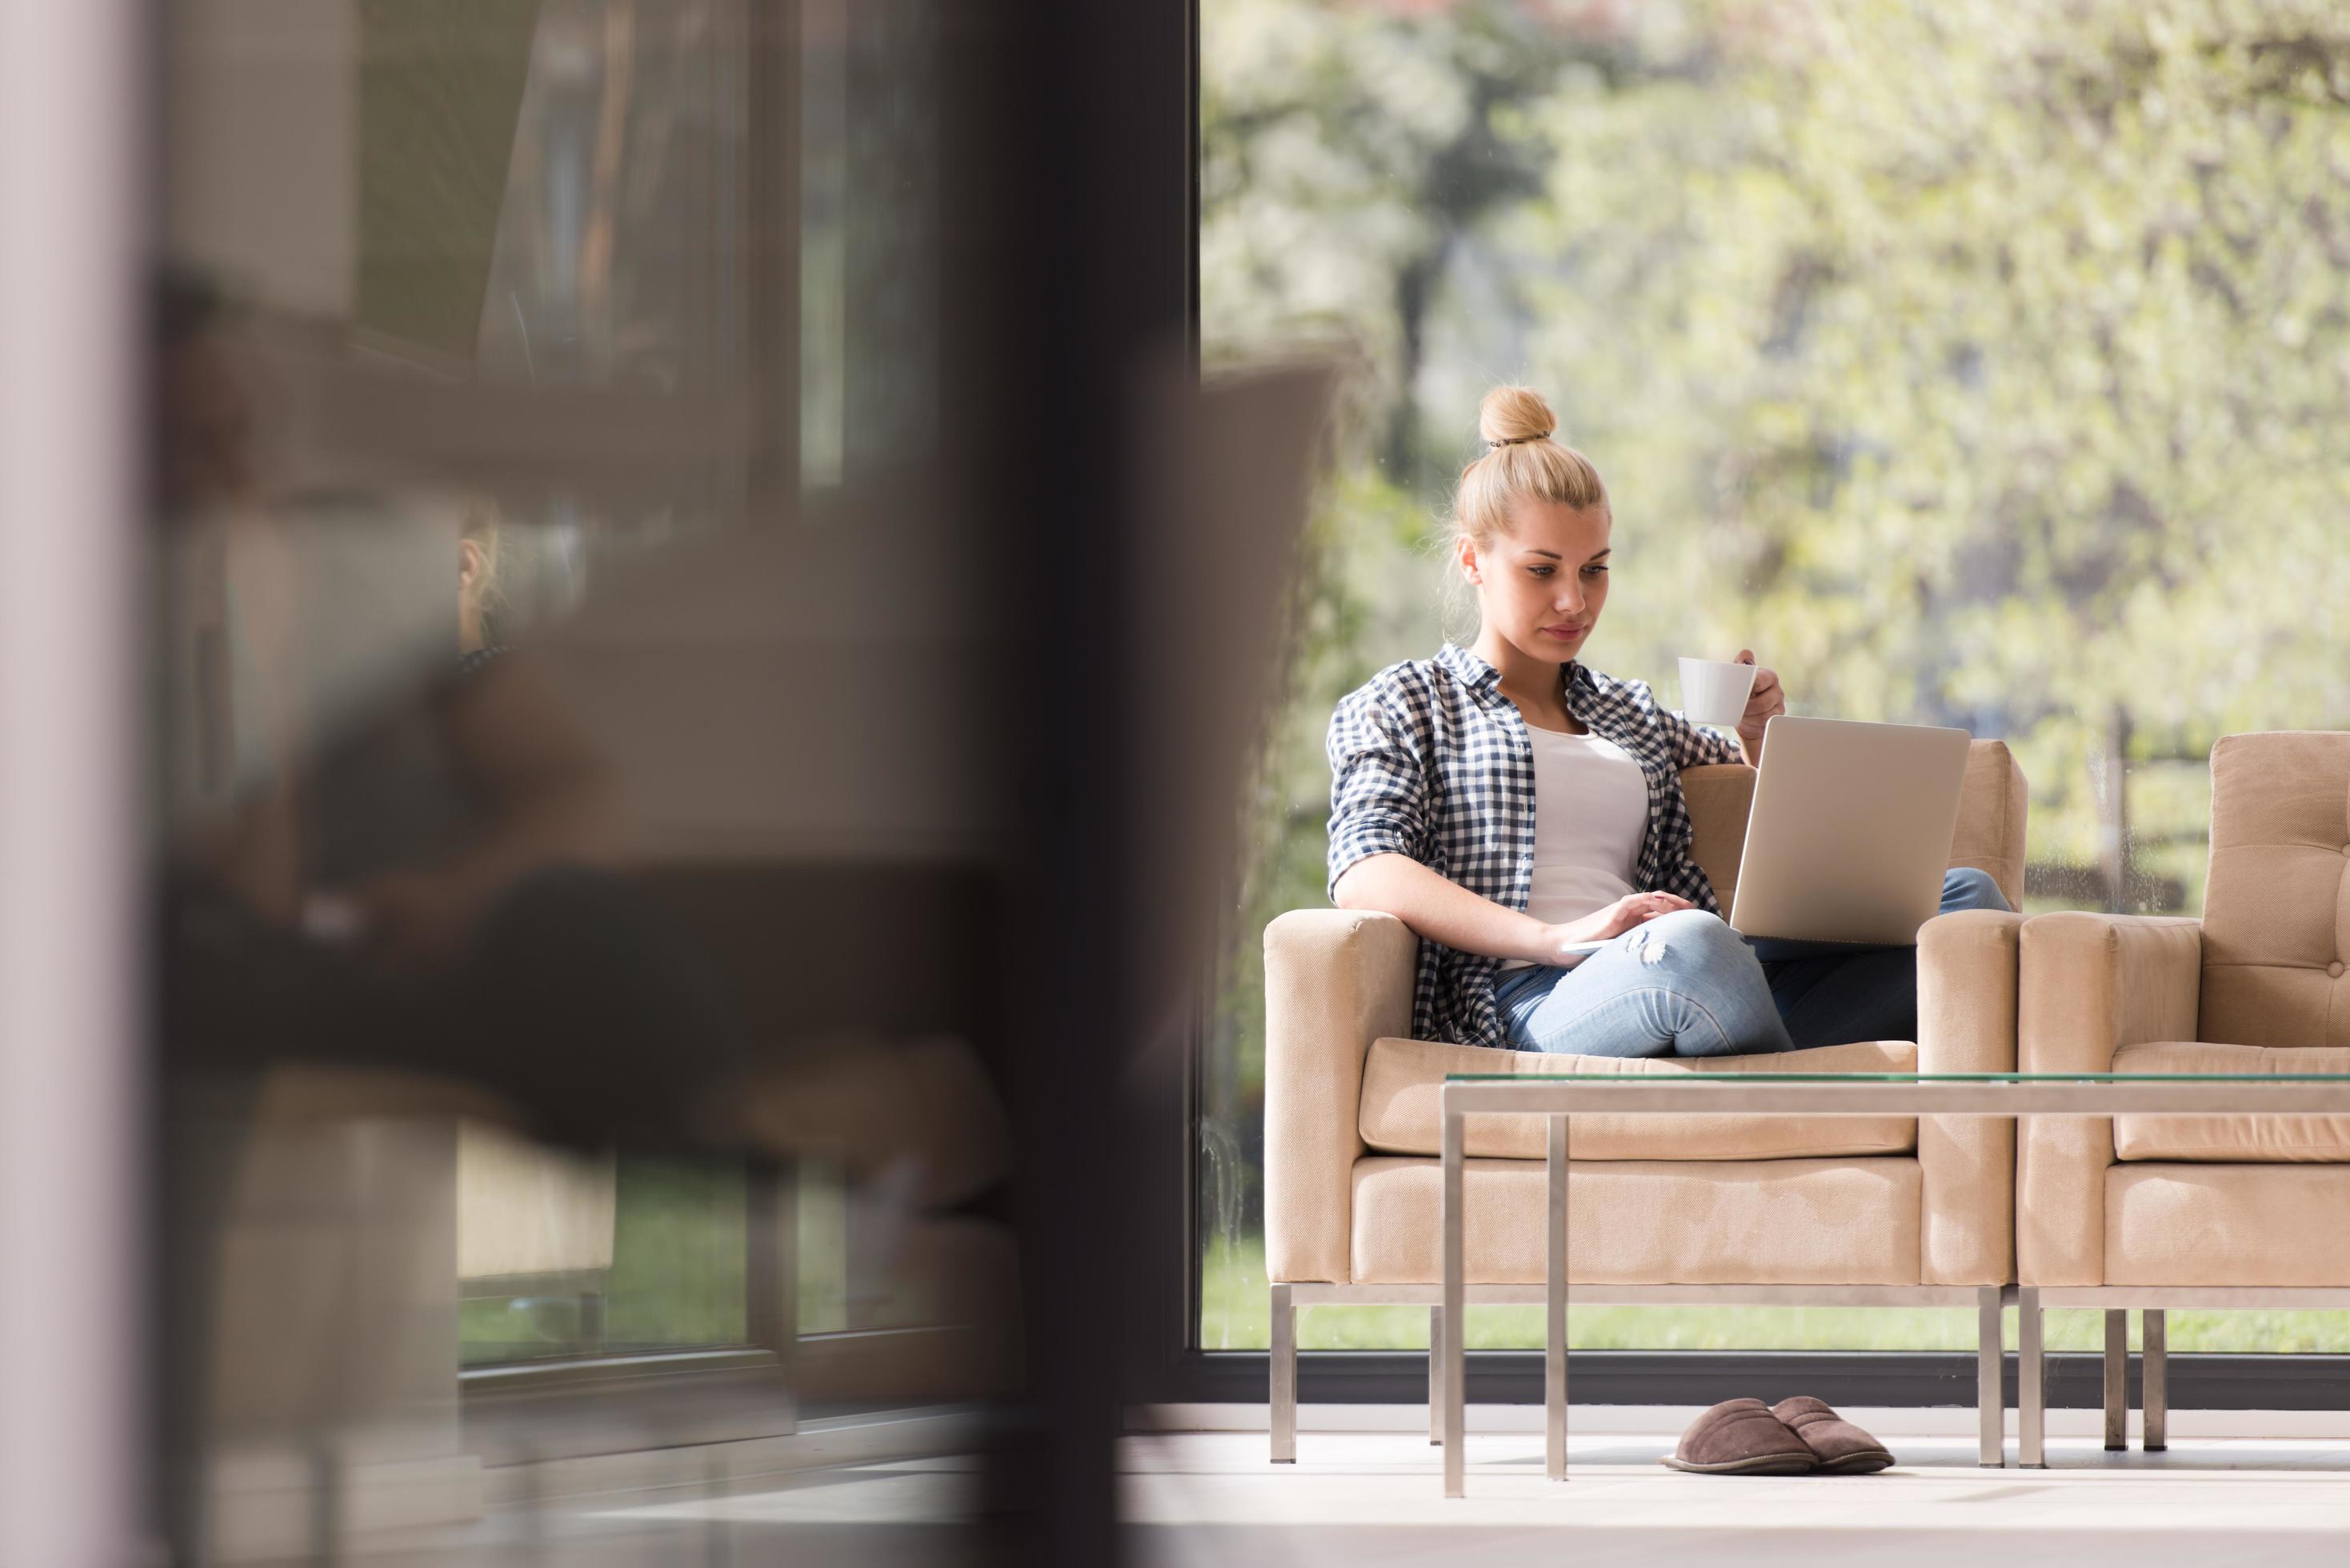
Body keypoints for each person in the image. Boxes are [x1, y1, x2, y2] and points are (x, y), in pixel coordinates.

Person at [1324, 384, 2009, 1058]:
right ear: (1472, 560)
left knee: (1965, 905)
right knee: (1694, 948)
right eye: (1542, 570)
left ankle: (1766, 1063)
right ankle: (1793, 1100)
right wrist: (1554, 936)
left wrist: (1756, 733)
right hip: (1534, 994)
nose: (1574, 601)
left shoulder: (1626, 711)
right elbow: (1364, 866)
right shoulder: (1406, 702)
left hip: (1692, 964)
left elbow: (1748, 766)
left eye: (1594, 570)